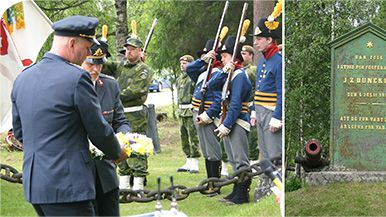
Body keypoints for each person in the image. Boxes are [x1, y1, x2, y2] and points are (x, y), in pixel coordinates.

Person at [11, 15, 127, 216]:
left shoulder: (23, 78)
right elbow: (98, 129)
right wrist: (117, 152)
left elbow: (21, 132)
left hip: (36, 186)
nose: (87, 55)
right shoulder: (76, 78)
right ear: (73, 43)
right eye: (87, 48)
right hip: (68, 186)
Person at [81, 39, 130, 216]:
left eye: (100, 65)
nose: (95, 70)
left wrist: (124, 138)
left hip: (107, 173)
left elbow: (120, 121)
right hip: (80, 174)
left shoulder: (110, 85)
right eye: (91, 64)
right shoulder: (69, 86)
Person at [209, 36, 252, 205]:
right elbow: (212, 85)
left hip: (238, 121)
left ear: (234, 58)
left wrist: (226, 125)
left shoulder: (240, 75)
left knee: (241, 160)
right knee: (233, 160)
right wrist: (224, 71)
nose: (221, 59)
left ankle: (242, 194)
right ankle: (236, 191)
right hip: (229, 119)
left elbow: (235, 104)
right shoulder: (230, 74)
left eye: (225, 56)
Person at [116, 36, 154, 191]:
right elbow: (102, 65)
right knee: (121, 146)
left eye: (132, 49)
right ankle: (124, 183)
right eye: (127, 49)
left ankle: (138, 185)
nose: (129, 52)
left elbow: (135, 90)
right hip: (120, 114)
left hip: (135, 114)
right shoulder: (121, 66)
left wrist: (113, 96)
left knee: (137, 147)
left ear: (140, 51)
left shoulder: (144, 70)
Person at [250, 17, 283, 202]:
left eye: (259, 38)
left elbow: (281, 91)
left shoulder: (278, 61)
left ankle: (277, 192)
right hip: (261, 111)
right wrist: (254, 110)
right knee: (264, 151)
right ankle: (266, 189)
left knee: (274, 154)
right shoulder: (262, 60)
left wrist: (277, 117)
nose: (255, 42)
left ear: (269, 39)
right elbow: (259, 88)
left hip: (271, 112)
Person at [186, 40, 223, 196]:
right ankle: (209, 181)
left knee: (213, 149)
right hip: (198, 111)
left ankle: (215, 184)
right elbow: (189, 69)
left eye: (207, 55)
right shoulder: (203, 71)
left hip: (208, 114)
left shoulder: (219, 73)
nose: (204, 58)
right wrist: (203, 60)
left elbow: (219, 99)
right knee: (206, 149)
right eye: (202, 56)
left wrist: (208, 115)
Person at [176, 55, 201, 173]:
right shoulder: (180, 78)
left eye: (185, 63)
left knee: (193, 137)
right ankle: (188, 160)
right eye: (181, 63)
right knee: (184, 137)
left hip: (190, 110)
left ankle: (195, 162)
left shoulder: (193, 77)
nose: (182, 65)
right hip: (181, 111)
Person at [240, 45, 259, 166]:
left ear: (251, 56)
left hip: (251, 106)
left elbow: (259, 88)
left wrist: (255, 109)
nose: (243, 56)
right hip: (240, 106)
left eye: (245, 53)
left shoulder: (253, 70)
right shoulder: (239, 69)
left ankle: (254, 163)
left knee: (252, 136)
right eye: (241, 53)